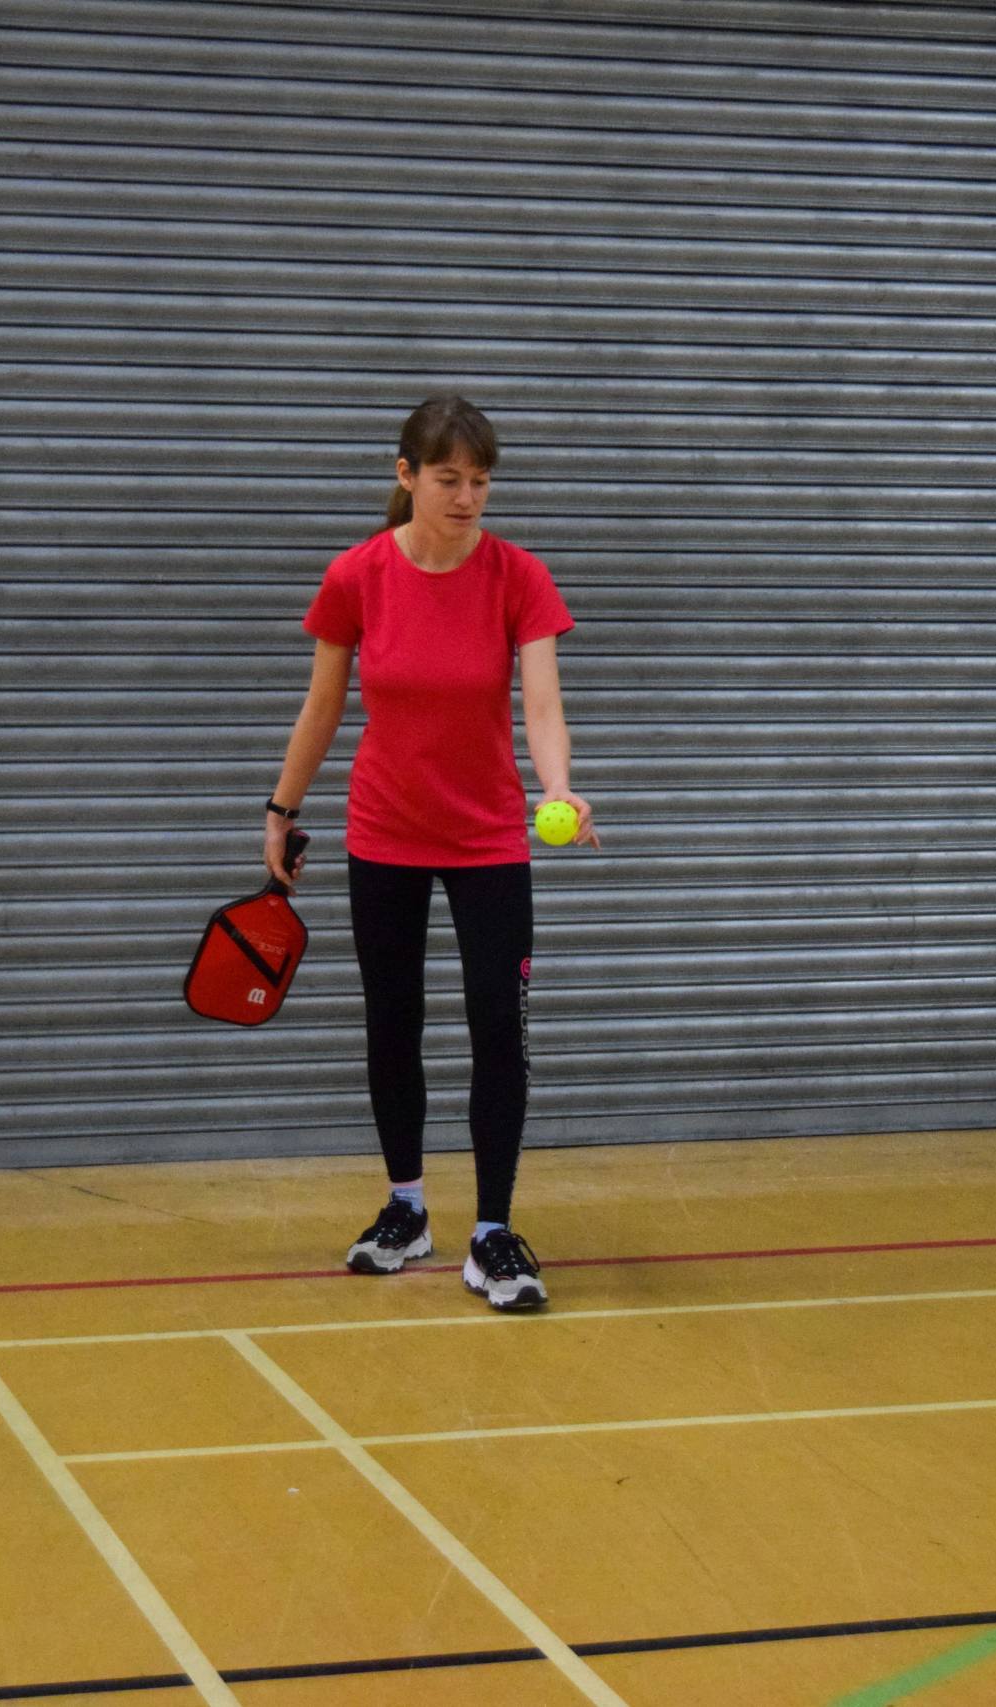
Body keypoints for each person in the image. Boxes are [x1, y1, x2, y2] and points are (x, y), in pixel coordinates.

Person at [265, 396, 596, 1311]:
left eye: (481, 481)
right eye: (448, 478)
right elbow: (323, 708)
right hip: (385, 832)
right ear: (405, 475)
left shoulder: (519, 576)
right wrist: (279, 809)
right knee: (391, 1022)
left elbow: (541, 705)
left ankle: (493, 1233)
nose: (467, 497)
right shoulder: (357, 576)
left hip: (488, 834)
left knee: (500, 1030)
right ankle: (406, 1207)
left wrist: (559, 787)